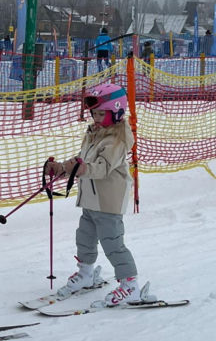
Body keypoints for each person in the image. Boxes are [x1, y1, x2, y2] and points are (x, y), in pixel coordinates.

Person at [45, 82, 154, 306]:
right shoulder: (94, 134)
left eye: (101, 113)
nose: (95, 117)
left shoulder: (116, 140)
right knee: (84, 238)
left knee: (112, 243)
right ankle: (86, 274)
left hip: (108, 201)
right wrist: (61, 169)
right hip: (90, 200)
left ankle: (130, 285)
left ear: (116, 112)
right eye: (94, 113)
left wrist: (82, 169)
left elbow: (102, 167)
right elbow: (81, 160)